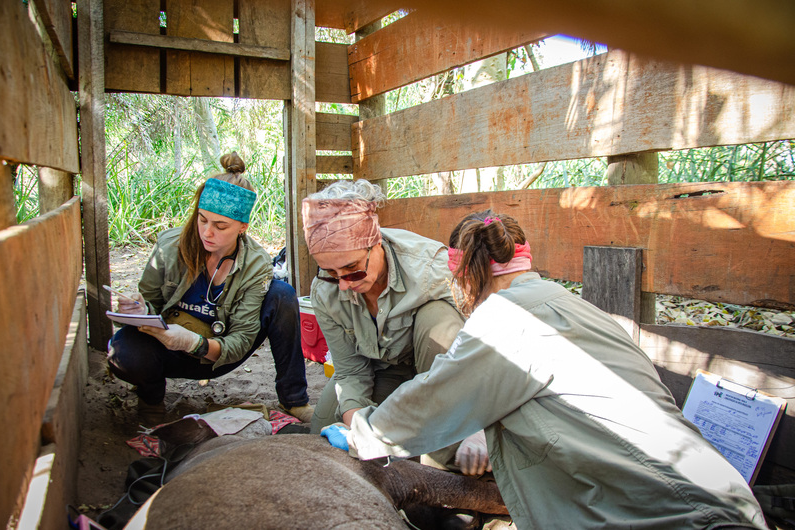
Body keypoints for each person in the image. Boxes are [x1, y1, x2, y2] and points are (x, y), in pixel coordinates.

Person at [322, 210, 768, 529]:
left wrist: (364, 432)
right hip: (721, 497)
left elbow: (432, 403)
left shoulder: (507, 321)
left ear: (466, 277)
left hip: (675, 515)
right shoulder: (576, 306)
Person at [107, 152, 312, 426]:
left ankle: (294, 399)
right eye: (202, 220)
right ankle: (151, 400)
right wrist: (140, 310)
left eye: (220, 226)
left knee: (282, 294)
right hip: (166, 350)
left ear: (242, 227)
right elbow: (151, 303)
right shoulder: (169, 246)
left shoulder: (256, 263)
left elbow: (241, 340)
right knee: (123, 351)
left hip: (217, 354)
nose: (206, 232)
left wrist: (194, 342)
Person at [302, 179, 489, 475]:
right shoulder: (325, 291)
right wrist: (357, 424)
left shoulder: (433, 269)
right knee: (322, 439)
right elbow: (350, 371)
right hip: (383, 370)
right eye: (330, 272)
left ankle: (445, 458)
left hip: (439, 372)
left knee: (437, 319)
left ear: (376, 243)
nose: (343, 284)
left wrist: (480, 424)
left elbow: (482, 348)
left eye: (352, 269)